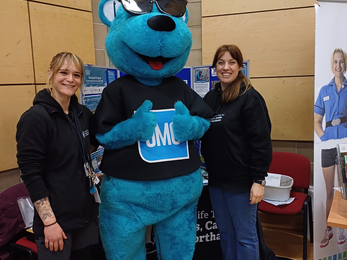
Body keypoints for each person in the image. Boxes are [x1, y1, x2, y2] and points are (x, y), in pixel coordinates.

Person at [16, 52, 100, 260]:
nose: (70, 80)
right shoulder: (35, 118)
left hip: (85, 218)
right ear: (51, 74)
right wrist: (49, 223)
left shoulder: (82, 114)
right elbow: (31, 174)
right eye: (64, 72)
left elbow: (90, 146)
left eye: (76, 75)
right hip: (56, 222)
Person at [201, 44, 272, 260]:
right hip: (217, 181)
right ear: (214, 67)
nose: (226, 67)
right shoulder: (211, 98)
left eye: (231, 62)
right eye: (221, 62)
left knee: (245, 237)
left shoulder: (250, 98)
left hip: (242, 183)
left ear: (240, 66)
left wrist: (259, 180)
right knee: (226, 234)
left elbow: (261, 142)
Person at [314, 48, 347, 248]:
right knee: (328, 192)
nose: (338, 66)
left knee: (343, 190)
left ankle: (342, 226)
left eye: (341, 62)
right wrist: (324, 137)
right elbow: (317, 121)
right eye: (335, 62)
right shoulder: (324, 90)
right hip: (327, 145)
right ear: (331, 64)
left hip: (344, 147)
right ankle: (329, 228)